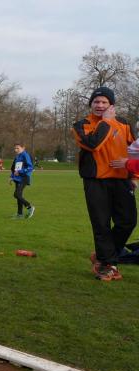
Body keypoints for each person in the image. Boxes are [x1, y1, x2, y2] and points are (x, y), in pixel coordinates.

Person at [71, 86, 137, 281]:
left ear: (111, 105)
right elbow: (93, 144)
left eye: (104, 102)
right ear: (91, 104)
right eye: (96, 102)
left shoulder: (124, 124)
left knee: (128, 221)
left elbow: (134, 151)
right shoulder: (81, 125)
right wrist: (106, 122)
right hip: (96, 181)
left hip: (122, 180)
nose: (100, 105)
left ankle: (103, 256)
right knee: (101, 224)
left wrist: (134, 176)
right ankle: (108, 266)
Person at [9, 143, 35, 218]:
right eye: (15, 148)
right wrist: (12, 177)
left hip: (24, 177)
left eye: (18, 148)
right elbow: (14, 168)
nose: (16, 150)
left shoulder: (25, 155)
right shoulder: (17, 156)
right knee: (19, 196)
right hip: (18, 178)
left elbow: (30, 167)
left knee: (16, 194)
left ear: (23, 148)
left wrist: (20, 172)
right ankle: (19, 214)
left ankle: (30, 207)